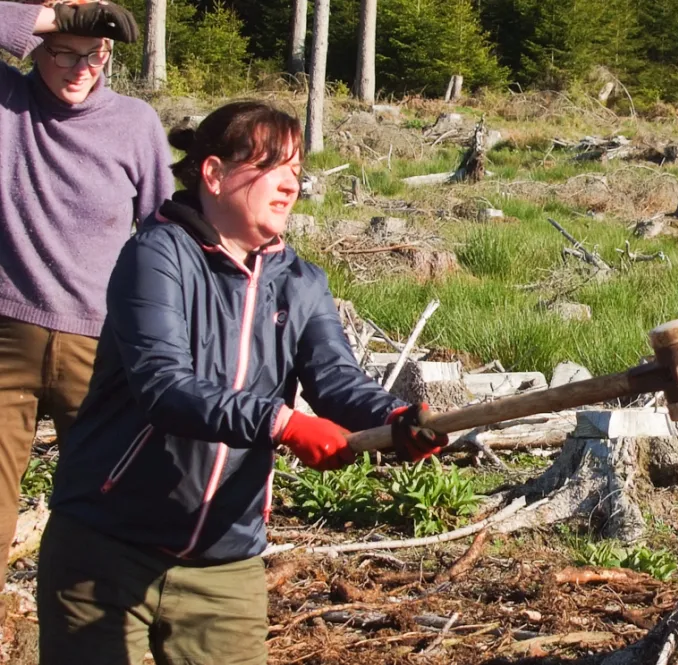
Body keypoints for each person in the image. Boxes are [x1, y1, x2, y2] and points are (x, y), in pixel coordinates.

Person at [36, 101, 448, 664]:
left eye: (296, 172)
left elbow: (336, 380)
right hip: (106, 547)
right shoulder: (156, 255)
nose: (290, 185)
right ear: (213, 173)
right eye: (271, 168)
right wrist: (282, 423)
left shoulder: (301, 281)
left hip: (224, 561)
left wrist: (393, 419)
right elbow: (164, 386)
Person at [0, 0, 174, 570]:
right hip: (7, 337)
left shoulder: (135, 123)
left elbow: (164, 237)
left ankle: (89, 619)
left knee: (105, 506)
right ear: (34, 50)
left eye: (96, 55)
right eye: (64, 54)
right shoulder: (9, 101)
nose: (81, 70)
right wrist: (52, 18)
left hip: (100, 348)